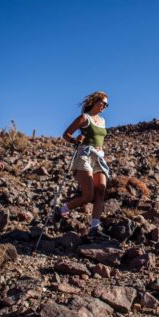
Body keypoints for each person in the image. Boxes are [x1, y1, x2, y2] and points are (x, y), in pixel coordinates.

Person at [55, 91, 111, 241]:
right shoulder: (84, 118)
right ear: (94, 101)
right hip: (84, 155)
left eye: (106, 104)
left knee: (101, 192)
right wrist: (75, 140)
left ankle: (94, 228)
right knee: (88, 196)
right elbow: (66, 134)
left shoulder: (103, 121)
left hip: (99, 157)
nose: (104, 106)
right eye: (103, 103)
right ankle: (62, 210)